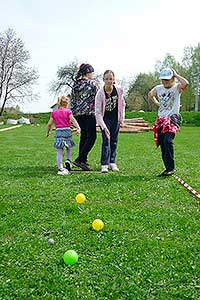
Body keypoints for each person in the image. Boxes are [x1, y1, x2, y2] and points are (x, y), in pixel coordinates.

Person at [148, 68, 189, 176]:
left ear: (173, 78)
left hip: (172, 119)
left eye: (167, 79)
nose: (165, 82)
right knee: (162, 143)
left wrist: (176, 74)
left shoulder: (177, 88)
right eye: (163, 80)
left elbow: (186, 83)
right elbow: (150, 94)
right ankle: (167, 168)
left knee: (168, 141)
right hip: (161, 120)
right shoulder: (158, 88)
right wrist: (157, 104)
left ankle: (171, 168)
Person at [95, 70, 125, 173]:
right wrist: (103, 127)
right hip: (105, 119)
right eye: (107, 79)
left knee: (114, 141)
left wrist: (121, 119)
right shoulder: (100, 93)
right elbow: (98, 112)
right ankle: (104, 164)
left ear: (114, 80)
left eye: (111, 79)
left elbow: (122, 104)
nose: (109, 81)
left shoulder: (119, 90)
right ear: (103, 80)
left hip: (115, 119)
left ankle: (112, 162)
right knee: (106, 141)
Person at [71, 63, 98, 171]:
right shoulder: (92, 83)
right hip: (89, 113)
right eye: (92, 73)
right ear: (88, 72)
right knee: (92, 137)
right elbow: (98, 97)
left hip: (77, 114)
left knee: (84, 136)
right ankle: (80, 159)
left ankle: (83, 161)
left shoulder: (76, 84)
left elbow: (72, 99)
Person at [46, 96, 80, 175]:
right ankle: (68, 160)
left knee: (60, 150)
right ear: (67, 103)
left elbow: (49, 124)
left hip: (58, 132)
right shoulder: (68, 112)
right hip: (67, 131)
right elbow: (73, 120)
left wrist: (47, 132)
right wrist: (78, 128)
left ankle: (60, 168)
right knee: (69, 147)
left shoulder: (54, 113)